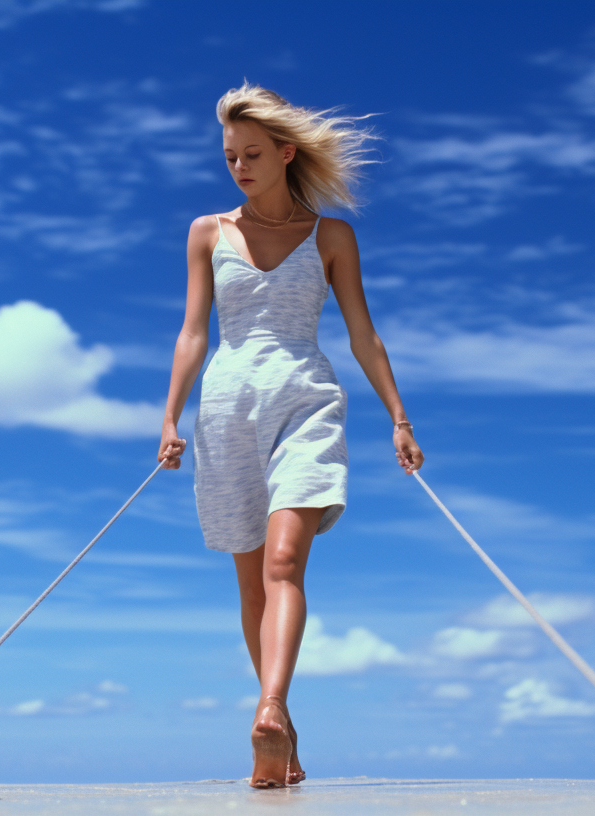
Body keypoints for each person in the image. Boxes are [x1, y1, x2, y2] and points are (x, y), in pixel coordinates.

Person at [156, 81, 424, 789]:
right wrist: (170, 418)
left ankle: (268, 705)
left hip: (306, 400)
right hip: (226, 407)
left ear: (285, 152)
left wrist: (398, 416)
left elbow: (363, 335)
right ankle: (281, 728)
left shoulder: (331, 236)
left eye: (251, 154)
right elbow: (192, 333)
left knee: (283, 565)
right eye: (228, 156)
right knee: (251, 585)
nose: (238, 166)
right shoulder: (207, 233)